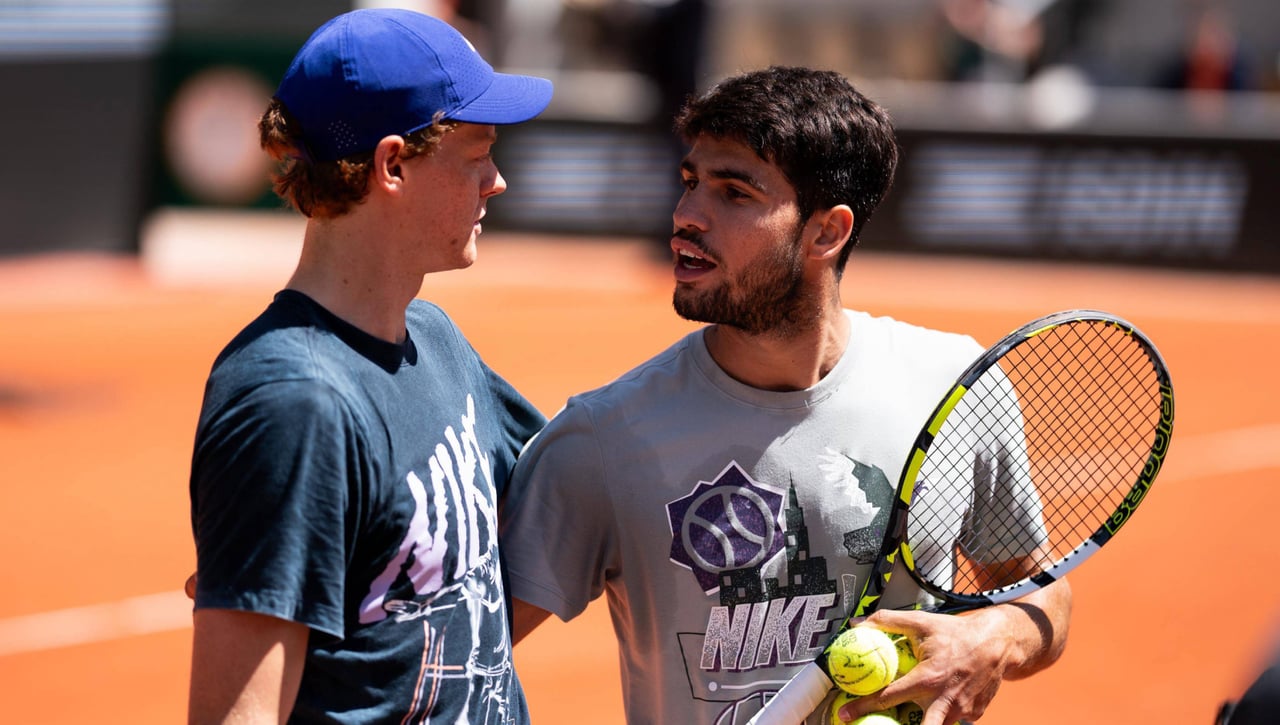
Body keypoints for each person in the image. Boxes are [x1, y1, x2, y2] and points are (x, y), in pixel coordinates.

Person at [499, 65, 1072, 725]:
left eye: (734, 193)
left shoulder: (954, 384)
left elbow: (1041, 592)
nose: (687, 216)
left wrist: (991, 636)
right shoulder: (606, 437)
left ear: (826, 232)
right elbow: (456, 657)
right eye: (691, 183)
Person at [186, 9, 551, 724]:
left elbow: (564, 495)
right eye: (477, 152)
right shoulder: (291, 405)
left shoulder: (435, 338)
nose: (496, 180)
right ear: (392, 165)